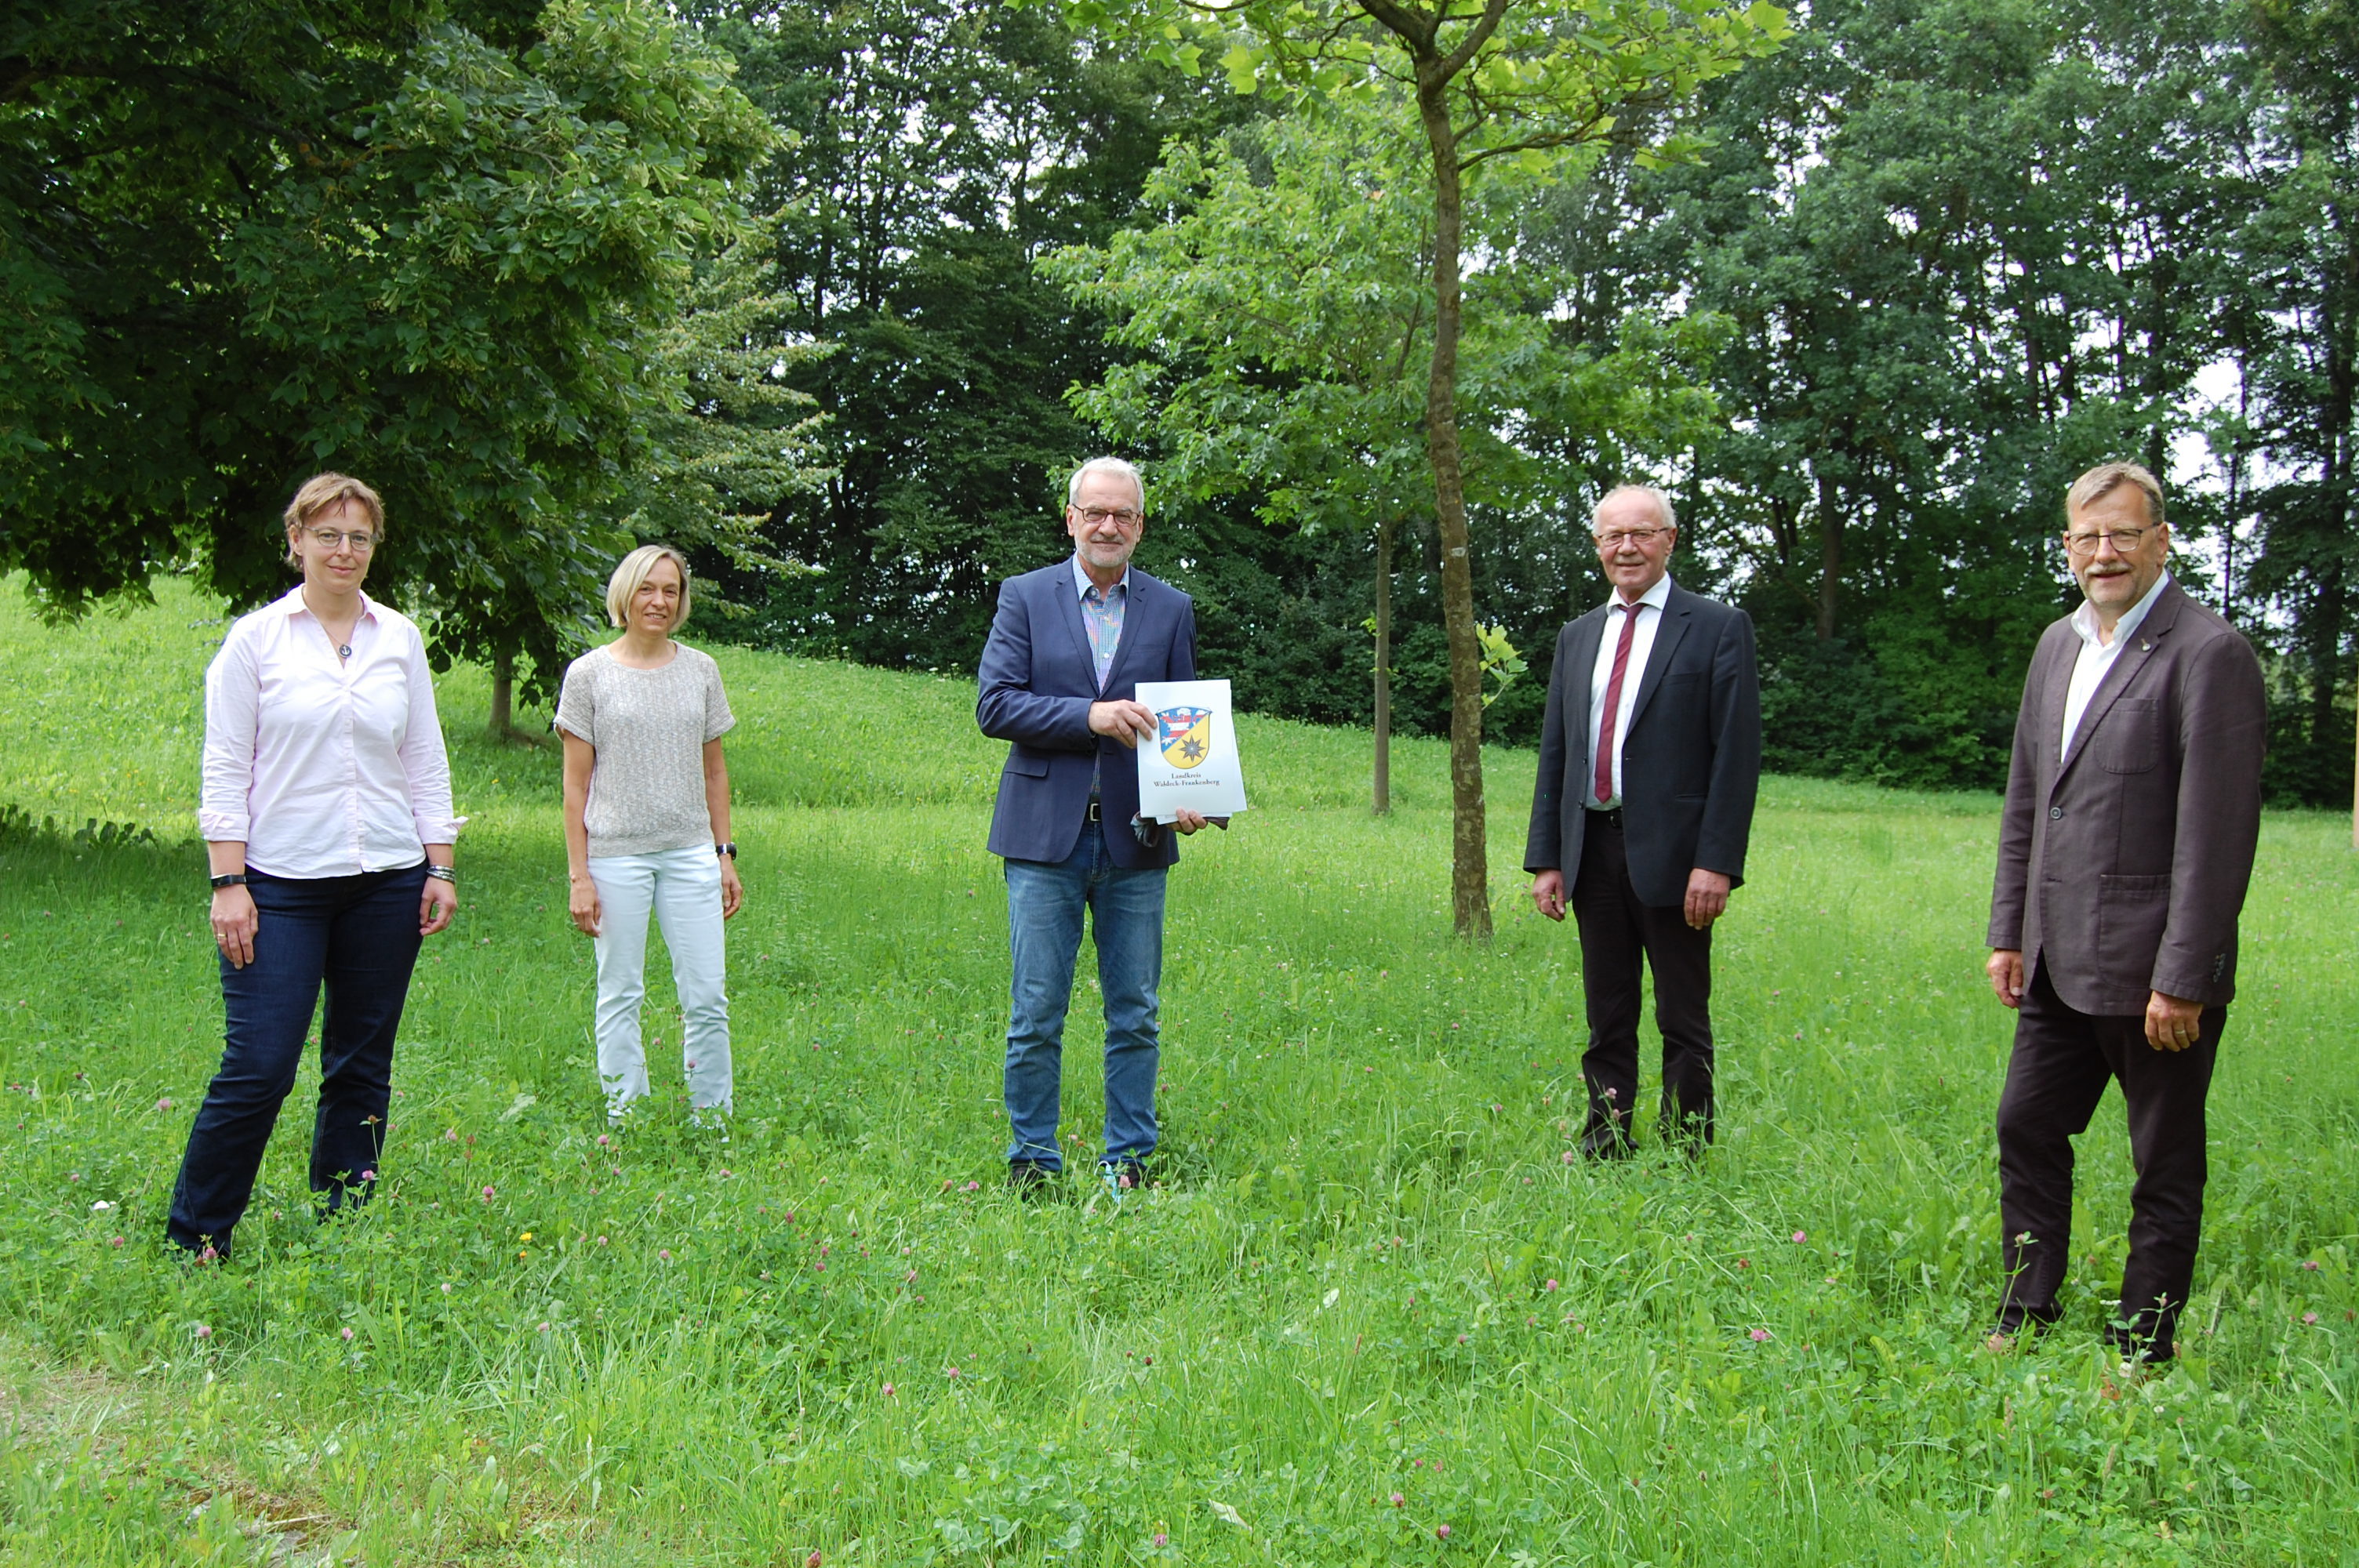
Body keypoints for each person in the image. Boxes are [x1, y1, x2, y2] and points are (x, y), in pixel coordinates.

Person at [1984, 461, 2264, 1366]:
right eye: (2085, 536)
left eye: (2121, 533)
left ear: (2160, 540)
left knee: (2162, 1162)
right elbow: (2029, 798)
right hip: (2055, 958)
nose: (2102, 553)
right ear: (2066, 545)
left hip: (2152, 976)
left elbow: (2214, 836)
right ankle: (2024, 1310)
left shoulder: (2206, 653)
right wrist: (2006, 930)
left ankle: (2141, 1346)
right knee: (2024, 1123)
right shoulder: (2055, 645)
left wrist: (2182, 977)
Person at [169, 474, 460, 1258]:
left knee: (362, 1064)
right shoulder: (255, 641)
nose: (344, 549)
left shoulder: (398, 637)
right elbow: (225, 769)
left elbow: (423, 759)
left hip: (388, 881)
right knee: (260, 1066)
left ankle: (344, 1224)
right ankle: (196, 1236)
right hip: (279, 885)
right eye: (328, 534)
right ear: (295, 539)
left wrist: (441, 864)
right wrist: (228, 882)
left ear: (374, 547)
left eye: (359, 536)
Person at [977, 457, 1209, 1194]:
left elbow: (1182, 722)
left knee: (1135, 1011)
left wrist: (1189, 790)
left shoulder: (1171, 610)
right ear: (1071, 517)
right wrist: (1089, 717)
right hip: (1044, 838)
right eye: (1096, 512)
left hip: (1137, 838)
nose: (1109, 526)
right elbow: (996, 706)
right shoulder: (1023, 598)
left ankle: (1128, 1160)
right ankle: (1032, 1162)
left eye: (1125, 515)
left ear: (1141, 527)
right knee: (1036, 1012)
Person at [1525, 485, 1761, 1156]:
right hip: (1593, 850)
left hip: (1680, 859)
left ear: (1670, 540)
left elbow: (1736, 757)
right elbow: (1558, 753)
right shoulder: (1577, 637)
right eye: (1612, 537)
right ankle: (1606, 1144)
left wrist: (1716, 861)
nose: (1626, 548)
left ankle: (1688, 1148)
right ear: (1597, 546)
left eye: (1641, 534)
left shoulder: (1716, 626)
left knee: (1682, 1016)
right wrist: (1548, 858)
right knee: (1608, 1014)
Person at [556, 545, 743, 1127]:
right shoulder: (589, 675)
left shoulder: (701, 670)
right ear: (625, 595)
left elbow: (714, 771)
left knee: (707, 996)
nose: (659, 601)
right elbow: (574, 788)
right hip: (615, 857)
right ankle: (627, 1119)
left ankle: (713, 1119)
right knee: (621, 993)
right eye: (647, 588)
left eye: (671, 590)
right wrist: (579, 875)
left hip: (690, 853)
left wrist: (724, 854)